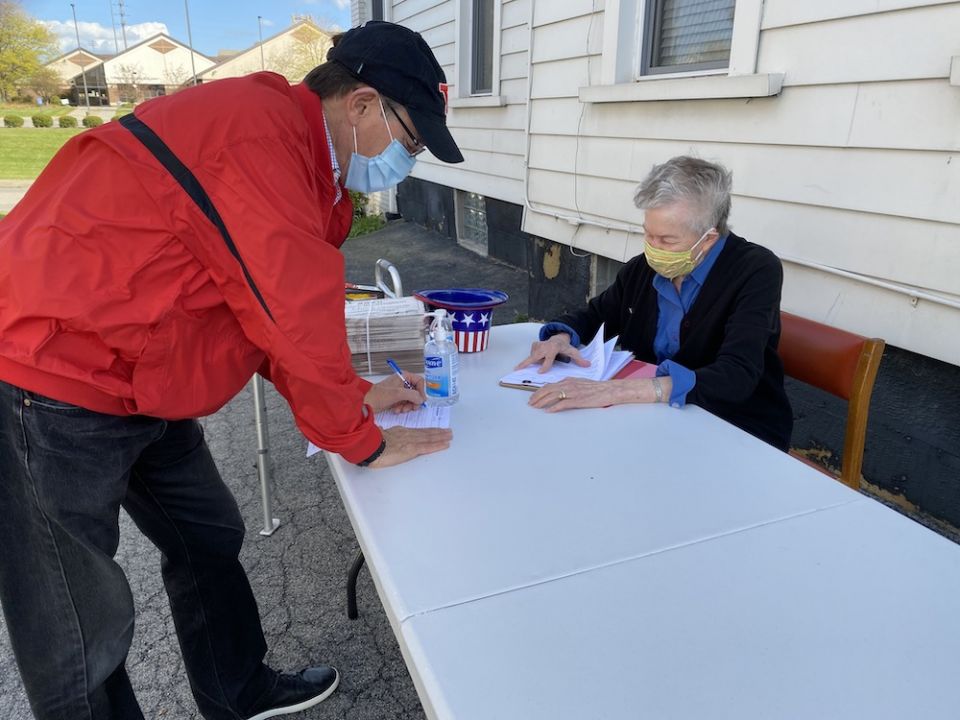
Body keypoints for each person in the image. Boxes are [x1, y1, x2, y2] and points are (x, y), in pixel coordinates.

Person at [0, 21, 459, 720]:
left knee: (207, 533)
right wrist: (359, 436)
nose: (410, 156)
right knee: (74, 618)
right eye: (413, 137)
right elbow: (291, 308)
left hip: (144, 374)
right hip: (51, 375)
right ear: (363, 105)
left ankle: (236, 690)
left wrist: (356, 391)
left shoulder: (302, 153)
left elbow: (259, 314)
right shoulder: (256, 133)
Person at [517, 156, 793, 451]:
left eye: (667, 240)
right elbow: (597, 315)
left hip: (734, 428)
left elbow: (737, 374)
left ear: (708, 239)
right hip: (658, 422)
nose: (653, 248)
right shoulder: (643, 268)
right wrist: (560, 338)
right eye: (648, 234)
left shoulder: (755, 270)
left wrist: (617, 391)